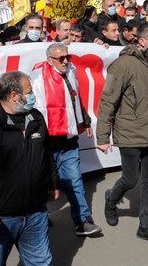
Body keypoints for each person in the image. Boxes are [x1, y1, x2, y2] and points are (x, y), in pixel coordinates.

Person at [0, 71, 60, 266]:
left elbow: (46, 153)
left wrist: (53, 183)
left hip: (36, 212)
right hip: (1, 216)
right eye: (29, 92)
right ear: (14, 95)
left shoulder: (36, 118)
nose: (33, 97)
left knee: (41, 262)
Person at [96, 21, 148, 248]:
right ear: (141, 41)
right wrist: (102, 137)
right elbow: (107, 101)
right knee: (130, 179)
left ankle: (146, 227)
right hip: (130, 133)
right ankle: (111, 199)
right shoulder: (122, 65)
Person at [31, 43, 101, 236]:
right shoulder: (37, 78)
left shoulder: (71, 72)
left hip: (68, 138)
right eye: (60, 58)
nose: (65, 61)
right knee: (43, 183)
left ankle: (82, 221)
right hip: (47, 141)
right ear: (49, 60)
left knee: (74, 179)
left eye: (67, 57)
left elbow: (75, 100)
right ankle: (40, 219)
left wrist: (84, 121)